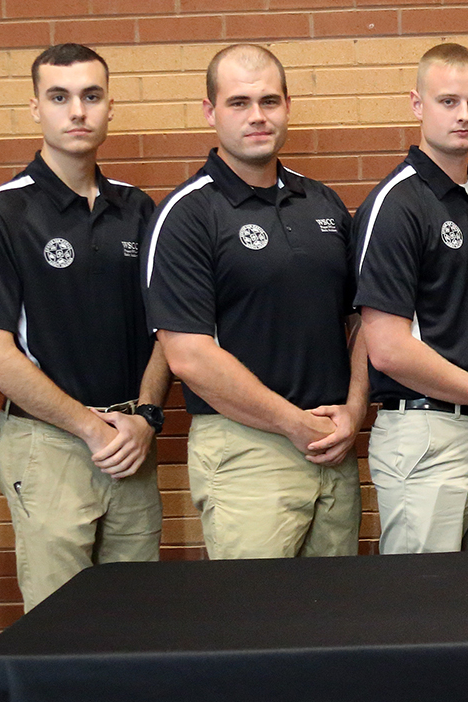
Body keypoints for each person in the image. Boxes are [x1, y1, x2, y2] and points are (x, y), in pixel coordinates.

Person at [0, 43, 168, 609]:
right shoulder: (2, 213)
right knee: (60, 626)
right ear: (35, 109)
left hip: (130, 442)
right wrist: (89, 428)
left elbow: (167, 332)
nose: (78, 111)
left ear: (109, 106)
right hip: (48, 444)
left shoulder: (138, 210)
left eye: (91, 96)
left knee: (138, 623)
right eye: (60, 97)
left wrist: (144, 416)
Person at [145, 44, 365, 559]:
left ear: (288, 105)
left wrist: (353, 410)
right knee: (256, 625)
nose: (258, 116)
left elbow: (358, 323)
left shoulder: (323, 202)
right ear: (210, 112)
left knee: (337, 622)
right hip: (245, 449)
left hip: (333, 447)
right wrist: (292, 422)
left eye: (269, 101)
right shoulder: (187, 214)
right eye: (239, 103)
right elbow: (188, 355)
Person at [354, 43, 468, 554]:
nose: (463, 115)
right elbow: (385, 347)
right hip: (426, 433)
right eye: (448, 101)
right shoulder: (397, 205)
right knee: (423, 612)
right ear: (417, 105)